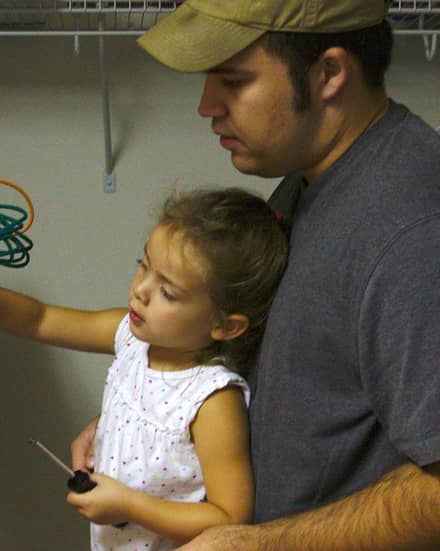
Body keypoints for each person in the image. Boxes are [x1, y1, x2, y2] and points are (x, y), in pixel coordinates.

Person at [71, 1, 440, 549]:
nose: (206, 106)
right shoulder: (311, 185)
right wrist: (147, 420)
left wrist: (261, 545)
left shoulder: (411, 230)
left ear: (329, 73)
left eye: (233, 80)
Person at [0, 188, 288, 549]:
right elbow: (40, 319)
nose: (141, 290)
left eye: (168, 292)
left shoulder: (212, 400)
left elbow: (229, 520)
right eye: (143, 266)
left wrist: (130, 505)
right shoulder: (130, 336)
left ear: (225, 326)